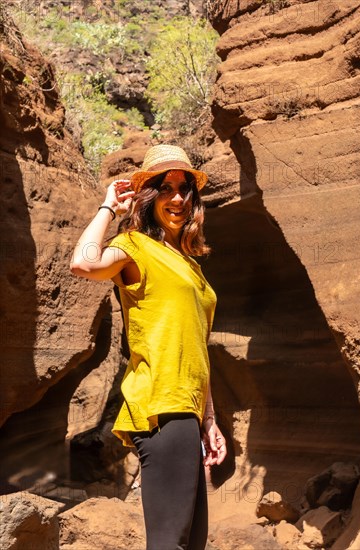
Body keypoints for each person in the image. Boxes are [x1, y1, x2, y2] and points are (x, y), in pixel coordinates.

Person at [70, 144, 227, 550]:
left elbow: (197, 347)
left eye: (184, 189)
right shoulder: (135, 245)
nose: (177, 198)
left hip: (186, 411)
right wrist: (109, 209)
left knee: (190, 542)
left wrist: (209, 420)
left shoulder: (191, 264)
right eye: (165, 188)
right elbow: (84, 264)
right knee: (169, 542)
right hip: (160, 405)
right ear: (148, 195)